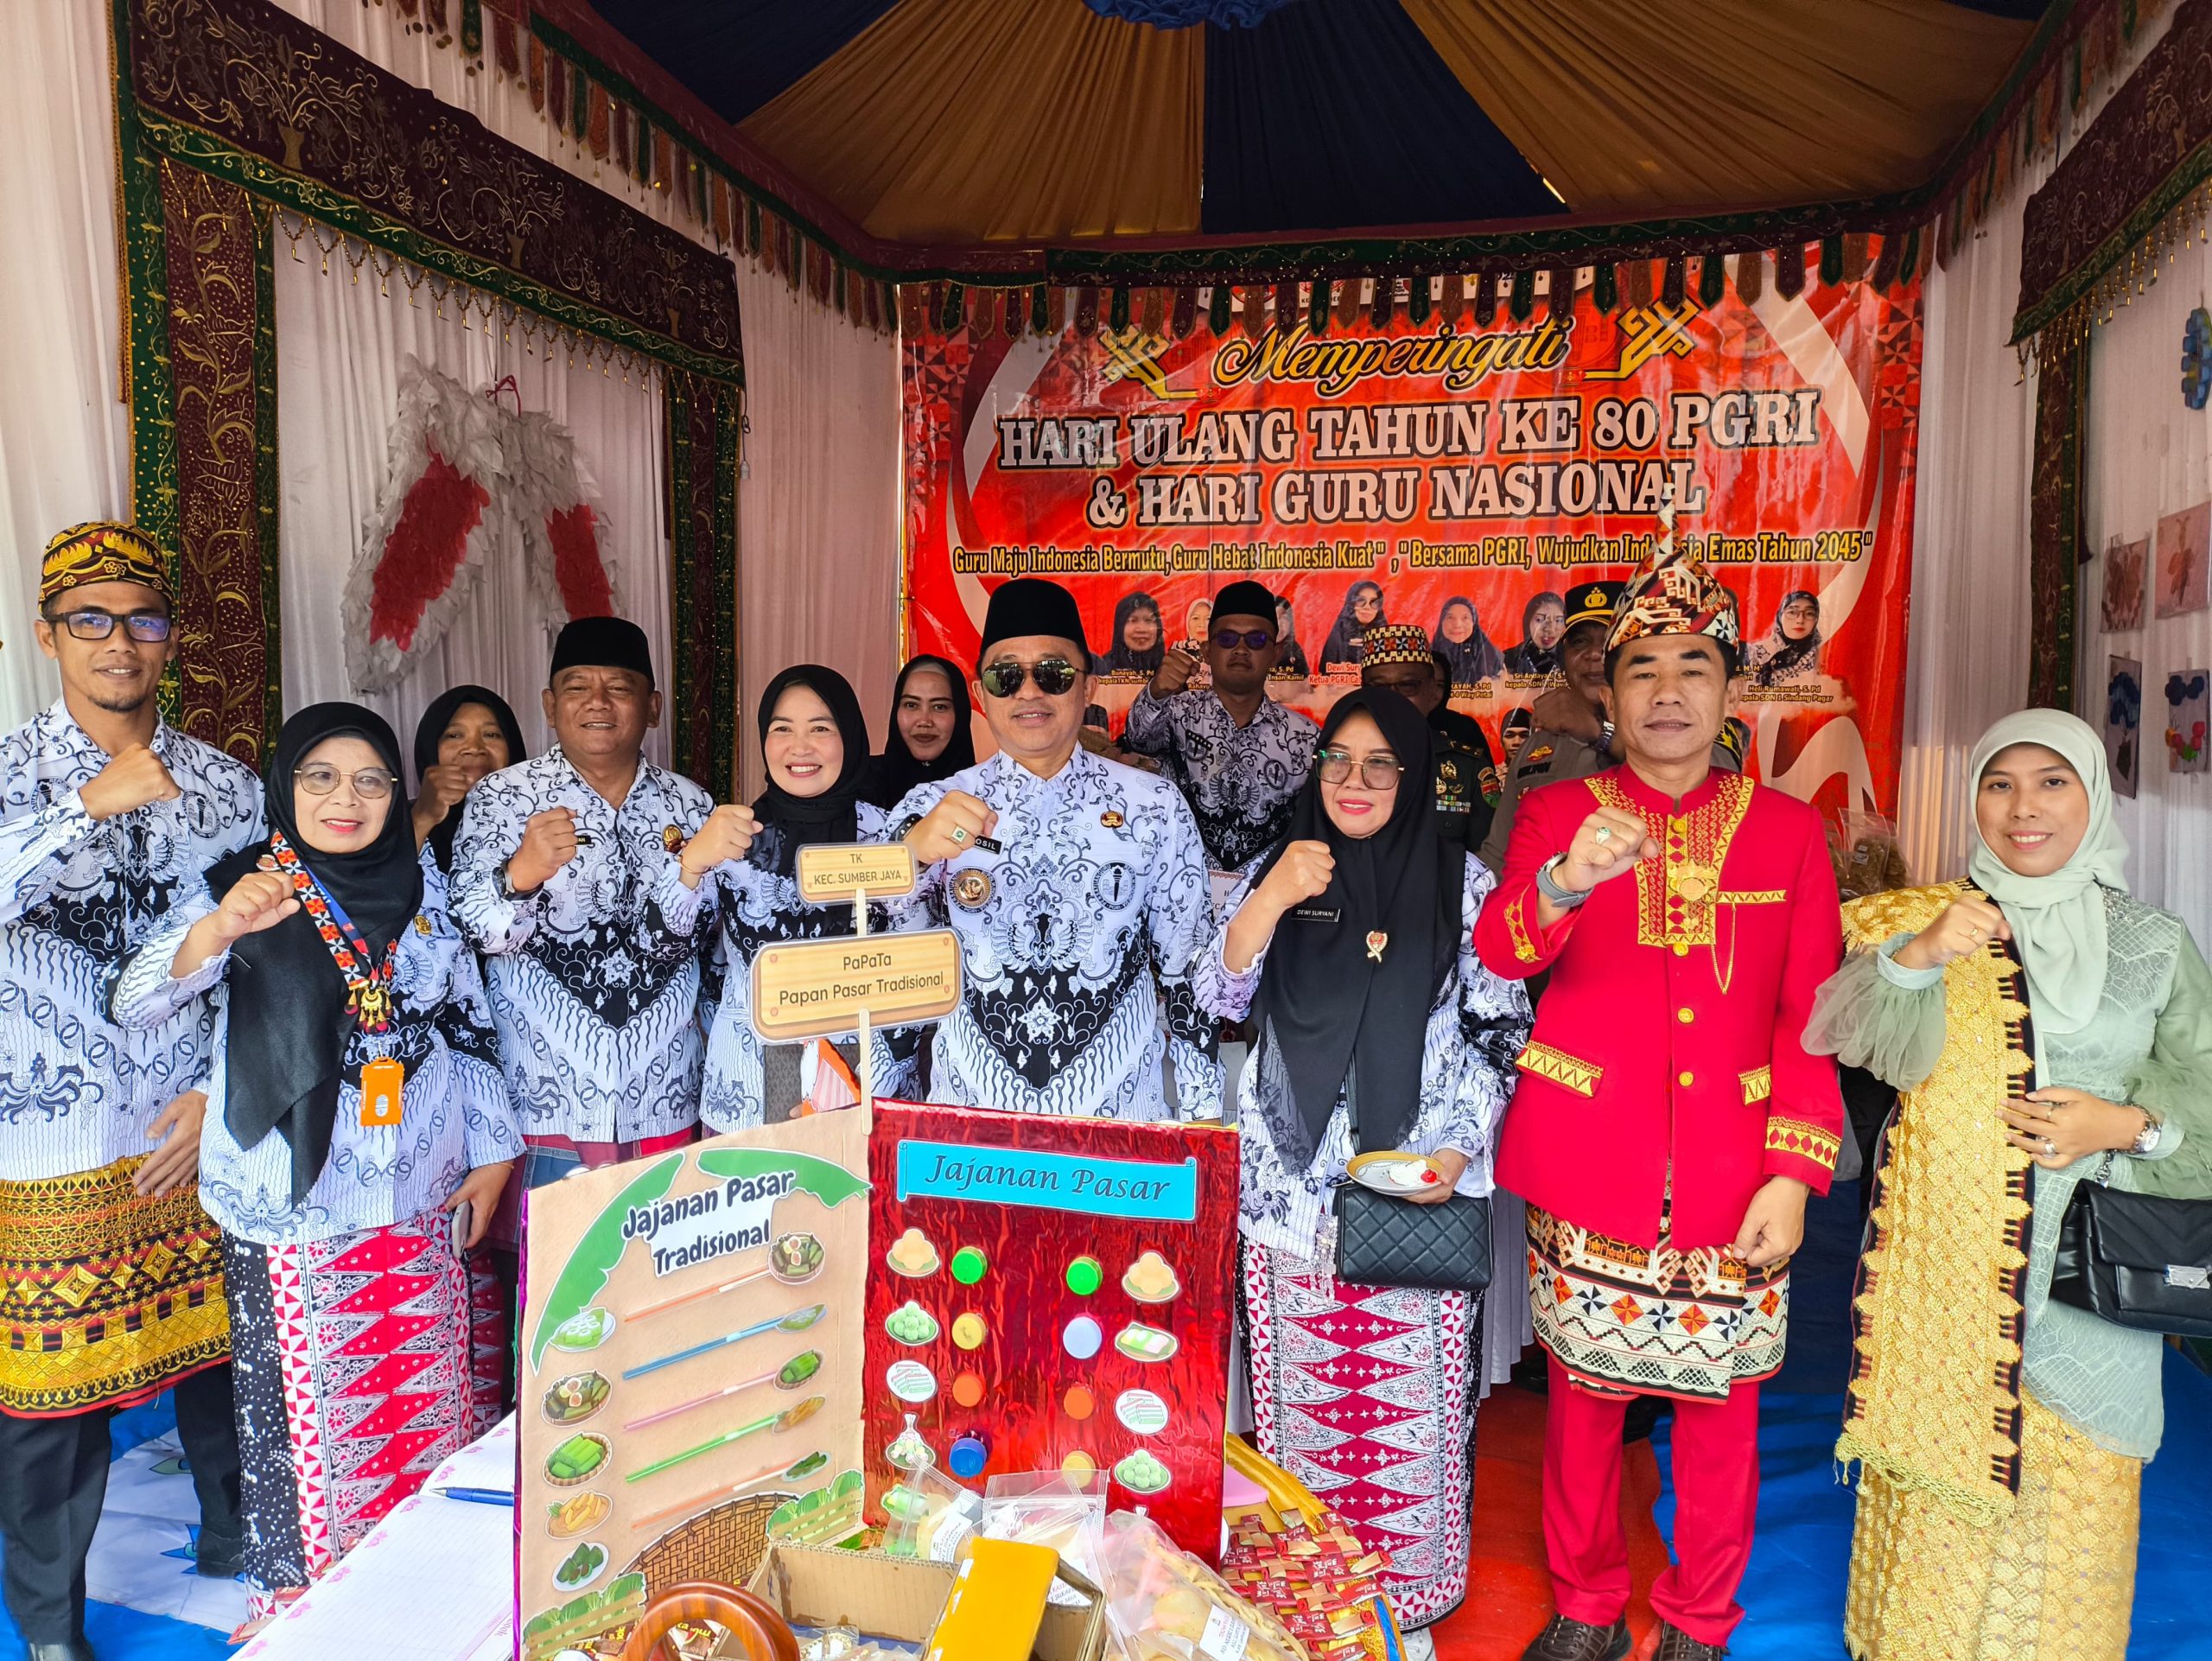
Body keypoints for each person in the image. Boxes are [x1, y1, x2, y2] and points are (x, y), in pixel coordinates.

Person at [1474, 538, 1845, 1661]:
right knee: (1582, 1405)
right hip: (1591, 1156)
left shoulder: (1789, 831)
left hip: (1736, 1172)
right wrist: (1567, 878)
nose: (1669, 691)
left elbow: (1811, 1017)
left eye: (1694, 667)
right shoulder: (1559, 813)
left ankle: (1697, 1619)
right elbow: (1502, 950)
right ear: (1612, 691)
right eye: (1643, 669)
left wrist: (1794, 1173)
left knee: (1722, 1411)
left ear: (1730, 691)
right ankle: (1586, 1604)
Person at [1806, 710, 2212, 1661]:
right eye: (1999, 784)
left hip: (2093, 1274)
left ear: (2092, 797)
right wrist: (1920, 955)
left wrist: (2123, 1127)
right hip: (1946, 1267)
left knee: (2072, 1513)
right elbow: (1850, 1040)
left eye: (2051, 782)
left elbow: (2203, 1091)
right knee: (1936, 1498)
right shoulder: (1923, 919)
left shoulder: (2153, 942)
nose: (2023, 808)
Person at [111, 703, 519, 1629]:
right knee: (300, 1424)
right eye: (321, 777)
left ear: (395, 792)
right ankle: (303, 1612)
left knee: (426, 1405)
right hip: (290, 1203)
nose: (347, 798)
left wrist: (494, 1153)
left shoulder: (425, 884)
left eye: (371, 779)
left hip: (420, 1189)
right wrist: (216, 932)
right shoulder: (239, 883)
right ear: (285, 786)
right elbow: (133, 1002)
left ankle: (425, 1600)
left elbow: (468, 1022)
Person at [1198, 689, 1530, 1632]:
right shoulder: (1282, 864)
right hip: (1289, 1198)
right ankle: (1309, 1595)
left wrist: (1455, 1152)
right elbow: (1216, 998)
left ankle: (1412, 1591)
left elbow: (1500, 1030)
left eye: (1380, 763)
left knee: (1412, 1407)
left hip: (1413, 1189)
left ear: (1414, 775)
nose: (1354, 780)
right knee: (1302, 1409)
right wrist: (1270, 898)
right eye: (1337, 758)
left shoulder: (1464, 886)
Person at [0, 524, 260, 1661]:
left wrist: (217, 1094)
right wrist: (84, 806)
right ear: (48, 634)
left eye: (142, 618)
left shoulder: (229, 785)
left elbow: (267, 957)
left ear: (171, 635)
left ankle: (238, 1545)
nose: (119, 641)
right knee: (49, 1398)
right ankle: (50, 1626)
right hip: (51, 1138)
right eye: (90, 619)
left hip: (191, 1125)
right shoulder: (11, 772)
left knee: (223, 1355)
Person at [892, 577, 1221, 1121]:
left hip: (1119, 1128)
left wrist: (1203, 1115)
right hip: (971, 1132)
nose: (1029, 692)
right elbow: (885, 958)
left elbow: (1186, 970)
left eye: (1053, 673)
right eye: (1005, 676)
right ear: (980, 694)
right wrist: (914, 855)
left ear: (1088, 687)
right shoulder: (932, 807)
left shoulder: (1153, 807)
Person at [450, 618, 719, 1192]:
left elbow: (709, 943)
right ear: (550, 706)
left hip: (667, 1095)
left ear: (653, 707)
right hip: (542, 1102)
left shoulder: (692, 804)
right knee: (546, 1253)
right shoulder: (502, 797)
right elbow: (473, 932)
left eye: (619, 687)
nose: (598, 701)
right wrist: (520, 874)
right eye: (577, 687)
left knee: (659, 1246)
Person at [698, 667, 923, 1131]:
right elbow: (686, 958)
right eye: (782, 729)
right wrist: (689, 866)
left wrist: (865, 1077)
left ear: (851, 738)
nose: (799, 747)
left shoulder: (889, 837)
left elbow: (917, 971)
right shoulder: (732, 837)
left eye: (820, 728)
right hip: (746, 1093)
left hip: (870, 1091)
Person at [1479, 582, 1738, 876]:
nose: (1593, 655)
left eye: (1607, 642)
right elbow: (1499, 856)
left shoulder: (1682, 720)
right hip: (1555, 901)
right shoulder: (1538, 742)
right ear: (1563, 656)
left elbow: (1720, 797)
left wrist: (1600, 733)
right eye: (1579, 642)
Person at [1122, 580, 1316, 877]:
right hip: (1179, 888)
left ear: (1275, 653)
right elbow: (1139, 739)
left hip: (1268, 895)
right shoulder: (1176, 712)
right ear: (1207, 649)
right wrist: (1157, 692)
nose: (1241, 649)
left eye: (1256, 640)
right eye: (1226, 638)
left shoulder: (1305, 737)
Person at [1357, 626, 1499, 852]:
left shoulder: (1469, 769)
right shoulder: (1340, 767)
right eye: (1379, 687)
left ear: (1432, 691)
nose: (1393, 698)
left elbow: (1489, 858)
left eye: (1407, 685)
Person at [410, 684, 526, 871]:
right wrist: (423, 817)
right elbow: (380, 884)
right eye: (454, 735)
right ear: (430, 745)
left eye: (491, 734)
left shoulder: (540, 820)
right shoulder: (389, 821)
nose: (474, 748)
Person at [861, 654, 976, 811]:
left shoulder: (986, 787)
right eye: (911, 705)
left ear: (960, 714)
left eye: (939, 707)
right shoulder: (860, 781)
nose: (924, 721)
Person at [1744, 590, 1821, 687]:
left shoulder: (1821, 658)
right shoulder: (1754, 653)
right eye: (1792, 612)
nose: (1800, 620)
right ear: (1780, 616)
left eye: (1809, 613)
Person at [1433, 595, 1505, 689]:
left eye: (1465, 618)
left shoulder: (1491, 656)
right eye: (1450, 617)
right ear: (1441, 622)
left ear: (1473, 622)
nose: (1457, 625)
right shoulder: (1427, 655)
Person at [1092, 592, 1166, 680]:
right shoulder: (1101, 669)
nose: (1141, 629)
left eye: (1148, 620)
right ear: (1120, 627)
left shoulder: (1170, 669)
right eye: (1133, 620)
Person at [1320, 580, 1384, 670]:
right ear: (1351, 604)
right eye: (1361, 600)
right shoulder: (1338, 634)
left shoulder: (1386, 636)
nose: (1367, 607)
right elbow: (1325, 671)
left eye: (1374, 602)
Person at [1503, 591, 1568, 678]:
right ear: (1528, 621)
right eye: (1539, 619)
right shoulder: (1508, 660)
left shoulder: (1572, 659)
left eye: (1558, 620)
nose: (1549, 629)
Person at [1270, 595, 1311, 679]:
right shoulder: (1254, 647)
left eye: (1284, 618)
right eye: (1274, 618)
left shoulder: (1297, 651)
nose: (1279, 624)